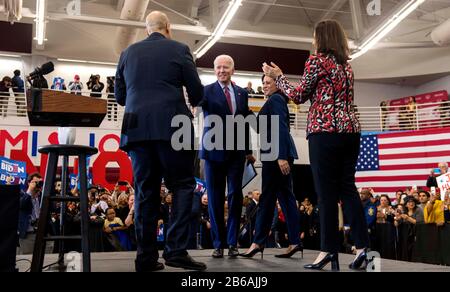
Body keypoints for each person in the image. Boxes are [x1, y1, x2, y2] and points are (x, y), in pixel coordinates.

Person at [263, 19, 369, 271]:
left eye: (314, 36)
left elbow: (299, 96)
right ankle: (364, 248)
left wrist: (279, 78)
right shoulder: (347, 66)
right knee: (348, 189)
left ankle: (328, 251)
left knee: (326, 193)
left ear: (320, 38)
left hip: (325, 131)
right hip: (351, 131)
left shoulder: (316, 61)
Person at [115, 11, 206, 272]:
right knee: (183, 185)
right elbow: (197, 92)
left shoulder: (127, 53)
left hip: (137, 130)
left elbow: (120, 97)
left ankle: (145, 258)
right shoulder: (179, 49)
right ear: (168, 27)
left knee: (145, 192)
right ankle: (176, 251)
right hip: (173, 127)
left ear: (147, 29)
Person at [240, 75, 302, 259]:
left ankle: (258, 242)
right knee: (286, 197)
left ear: (278, 85)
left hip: (276, 154)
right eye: (263, 83)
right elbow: (259, 127)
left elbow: (281, 127)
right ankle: (294, 242)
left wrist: (281, 156)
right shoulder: (273, 101)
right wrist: (246, 111)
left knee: (267, 198)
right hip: (277, 153)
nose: (265, 85)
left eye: (268, 82)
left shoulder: (276, 99)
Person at [200, 55, 256, 259]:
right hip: (213, 152)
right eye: (218, 67)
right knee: (214, 200)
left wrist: (249, 151)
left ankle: (232, 243)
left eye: (225, 67)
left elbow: (243, 123)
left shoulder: (242, 93)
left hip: (236, 153)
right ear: (214, 70)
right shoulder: (206, 91)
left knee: (235, 197)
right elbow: (195, 101)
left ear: (233, 69)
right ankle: (218, 244)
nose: (221, 70)